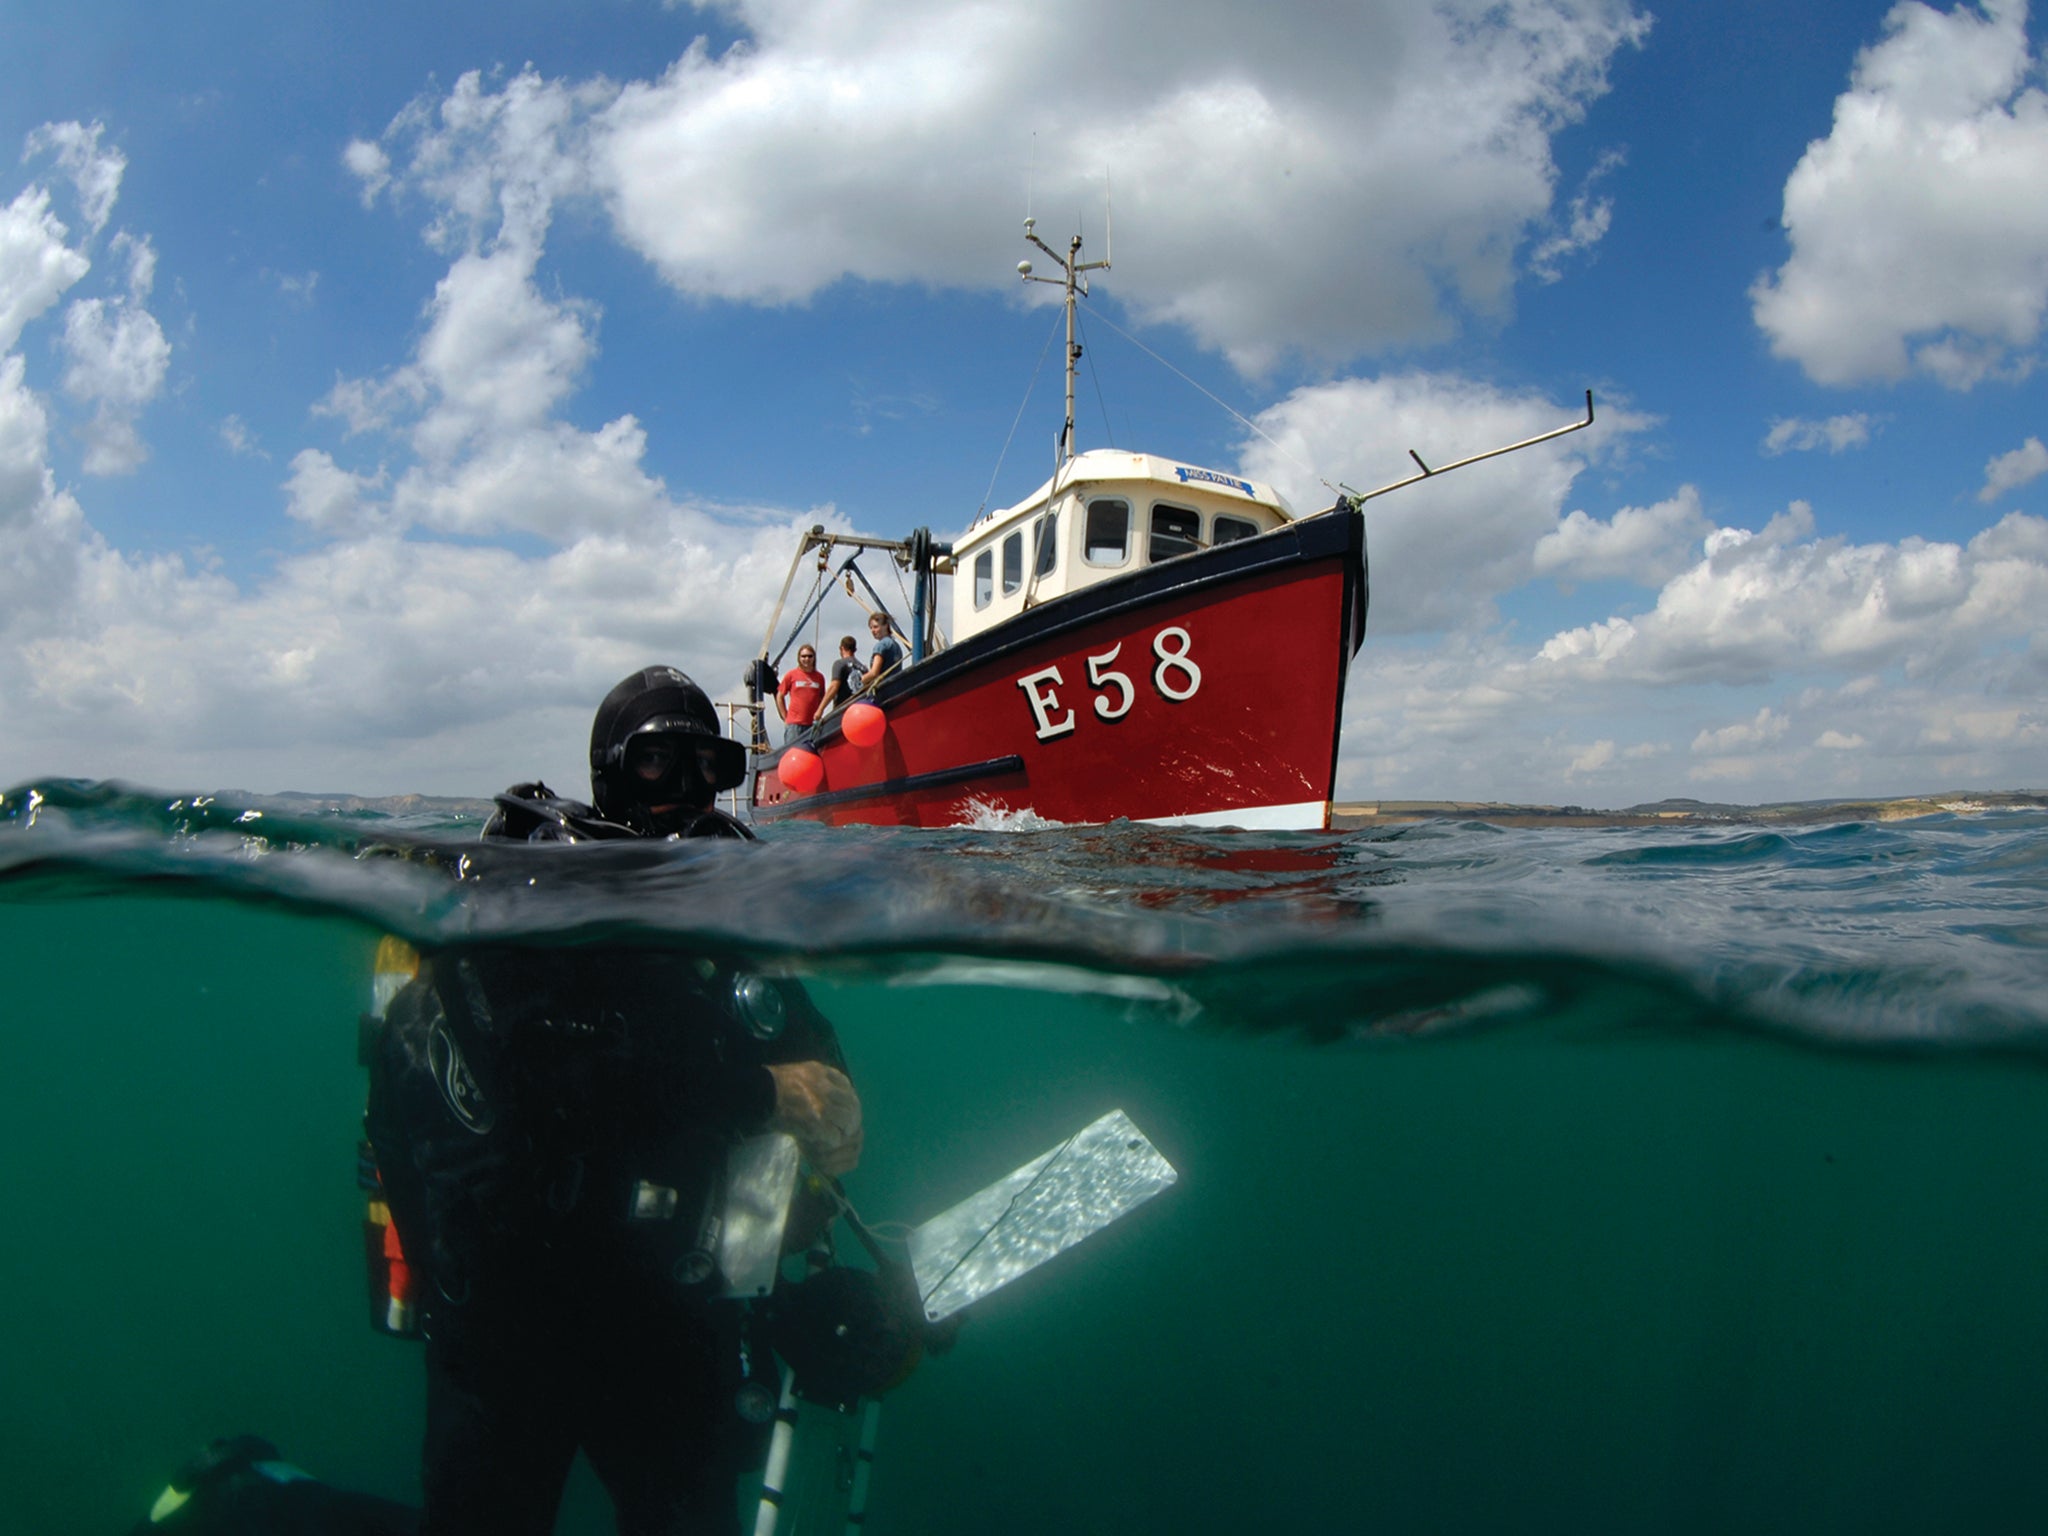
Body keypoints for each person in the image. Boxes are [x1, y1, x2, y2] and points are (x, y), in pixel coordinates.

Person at [364, 666, 864, 1536]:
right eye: (653, 764)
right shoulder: (538, 901)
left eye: (707, 764)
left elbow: (800, 1046)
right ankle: (254, 1491)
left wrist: (830, 1107)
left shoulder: (730, 911)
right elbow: (550, 1079)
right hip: (511, 1329)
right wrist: (759, 1091)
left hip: (670, 1322)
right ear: (606, 771)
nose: (681, 794)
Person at [774, 646, 824, 744]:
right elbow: (779, 696)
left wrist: (819, 712)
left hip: (812, 725)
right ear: (799, 658)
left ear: (814, 658)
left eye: (810, 656)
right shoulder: (791, 675)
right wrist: (785, 716)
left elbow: (822, 697)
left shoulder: (819, 677)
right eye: (803, 656)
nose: (807, 659)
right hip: (794, 725)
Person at [860, 613, 903, 695]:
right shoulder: (896, 646)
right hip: (896, 689)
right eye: (871, 628)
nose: (873, 630)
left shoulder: (881, 646)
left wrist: (859, 681)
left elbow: (874, 673)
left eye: (876, 627)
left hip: (883, 691)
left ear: (886, 626)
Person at [818, 635, 860, 716]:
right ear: (855, 649)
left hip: (843, 712)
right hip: (859, 710)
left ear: (841, 648)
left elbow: (833, 687)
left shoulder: (839, 664)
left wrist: (820, 709)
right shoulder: (863, 668)